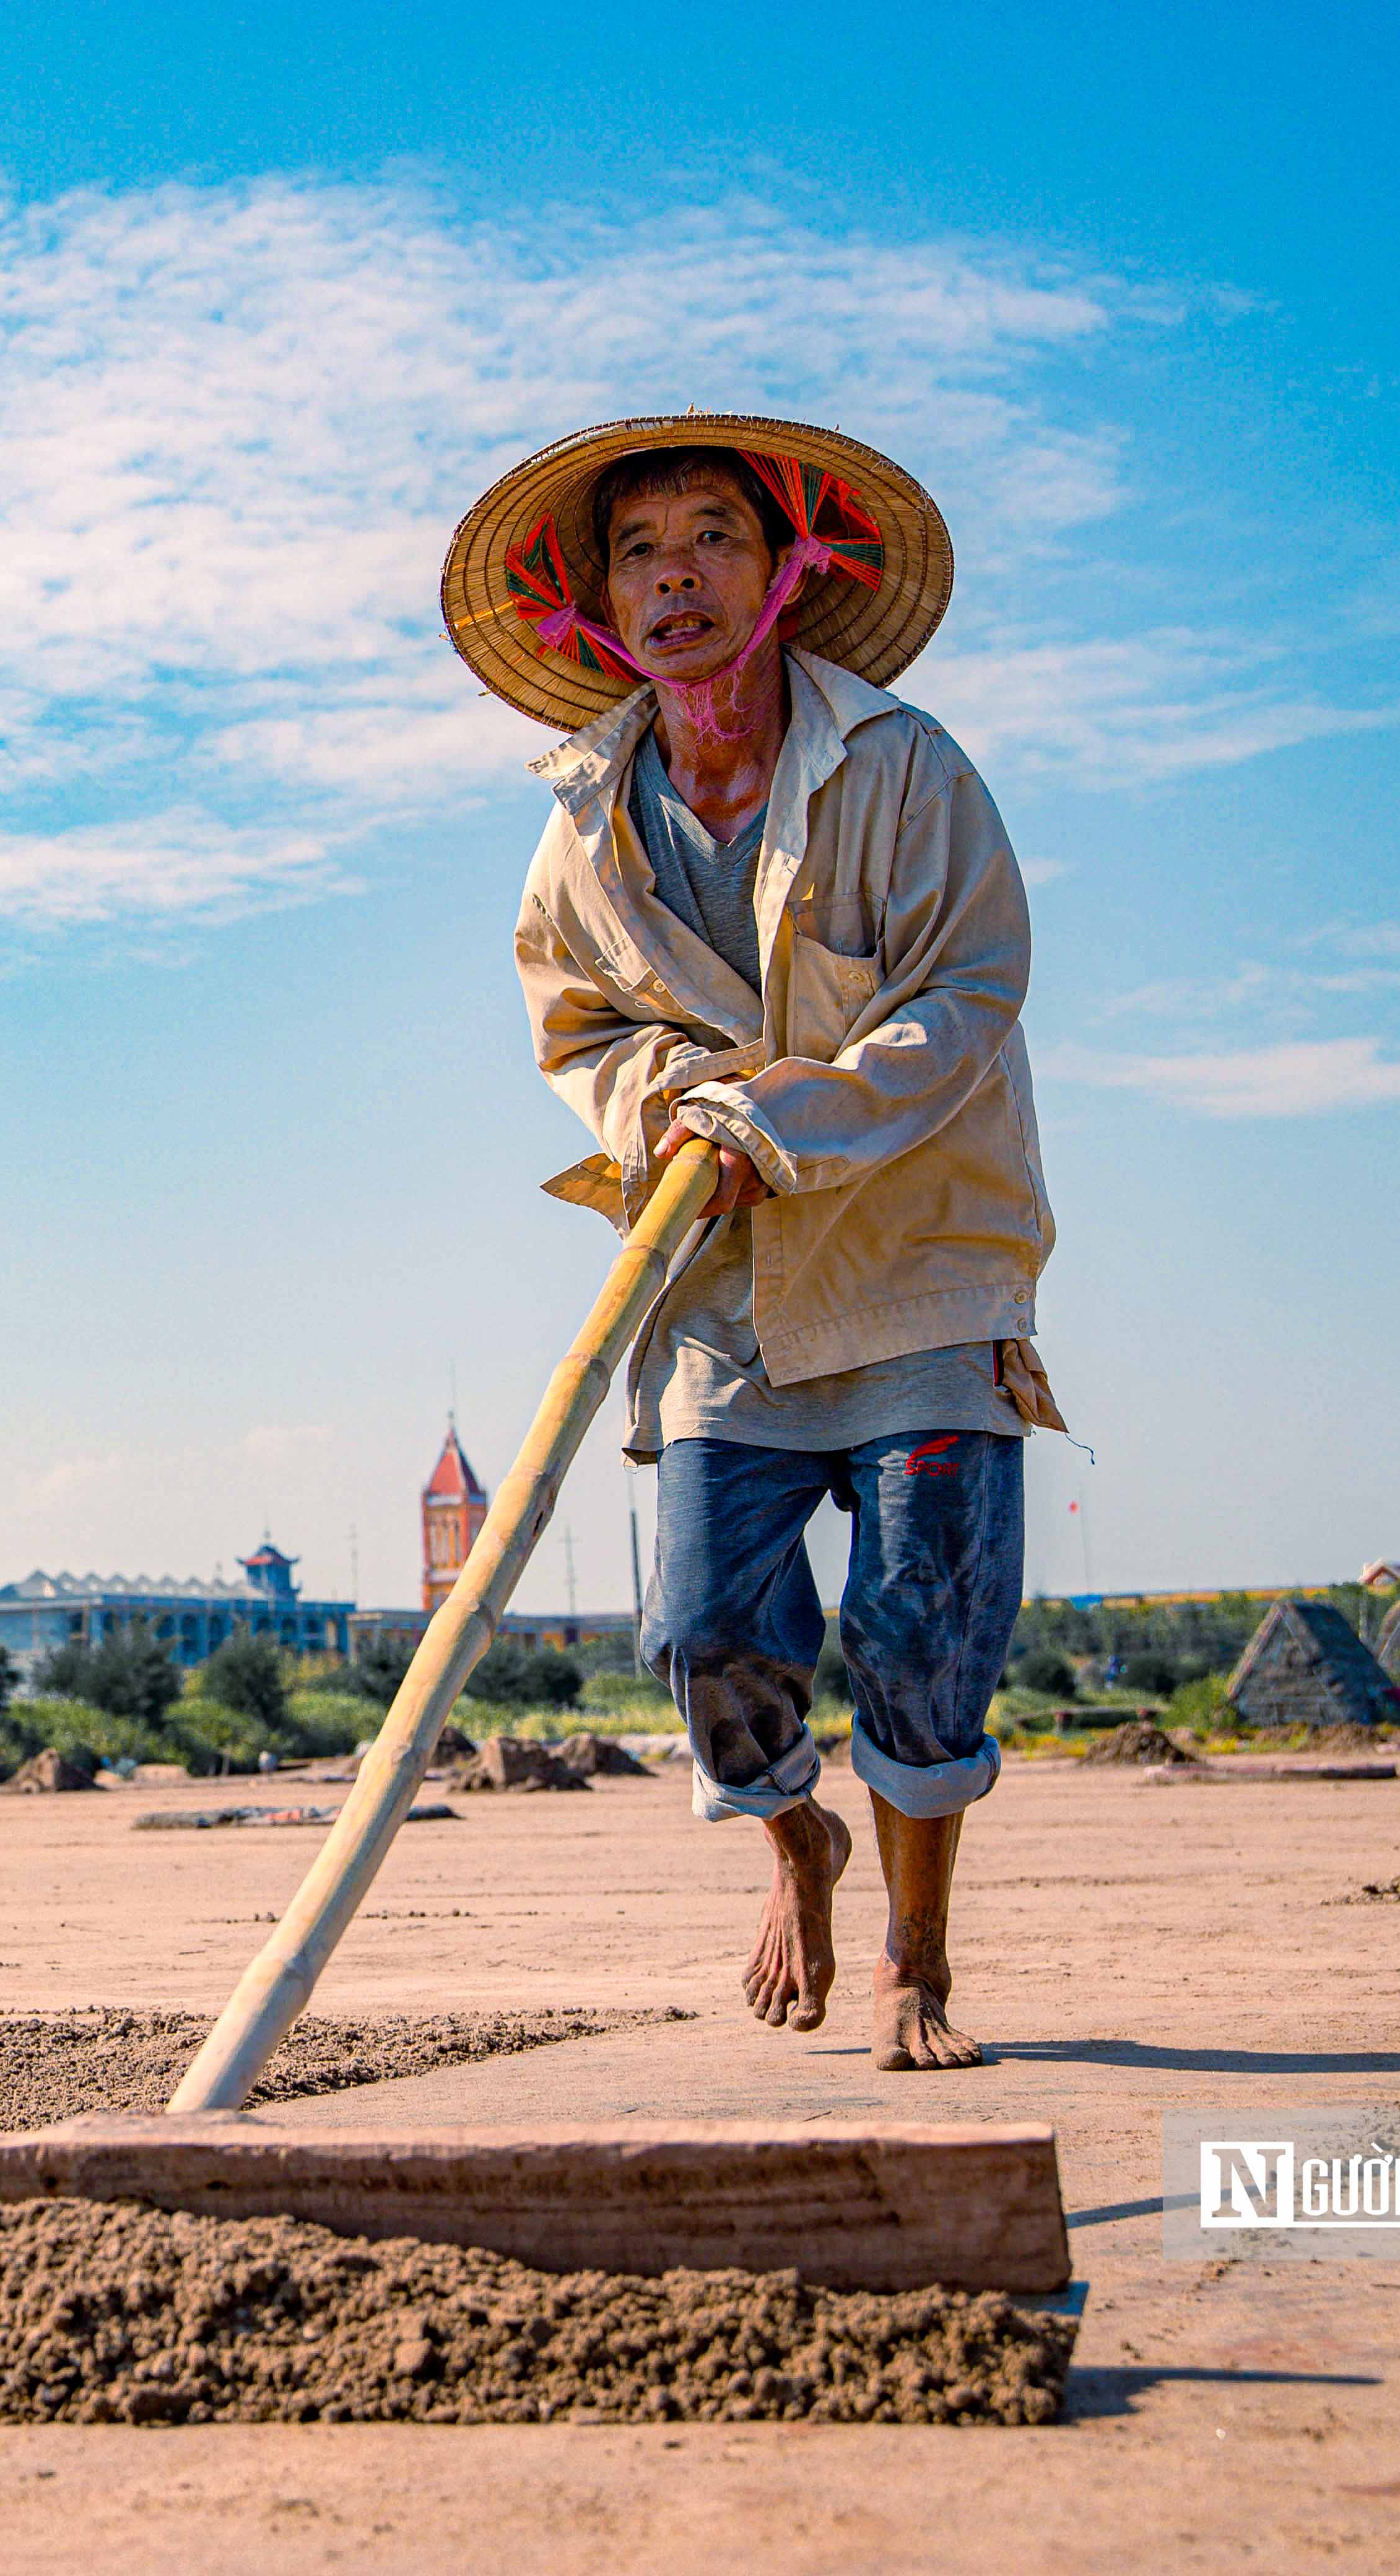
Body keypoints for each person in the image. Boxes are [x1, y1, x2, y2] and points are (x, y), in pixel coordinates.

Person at [442, 416, 1063, 2073]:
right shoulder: (584, 825)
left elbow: (967, 995)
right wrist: (666, 1110)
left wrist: (781, 1126)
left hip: (923, 1258)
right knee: (712, 1632)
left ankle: (916, 1967)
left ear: (788, 569)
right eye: (639, 553)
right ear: (598, 606)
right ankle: (800, 1842)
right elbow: (575, 1034)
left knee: (929, 1622)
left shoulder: (903, 769)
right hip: (714, 1288)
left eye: (713, 537)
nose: (675, 578)